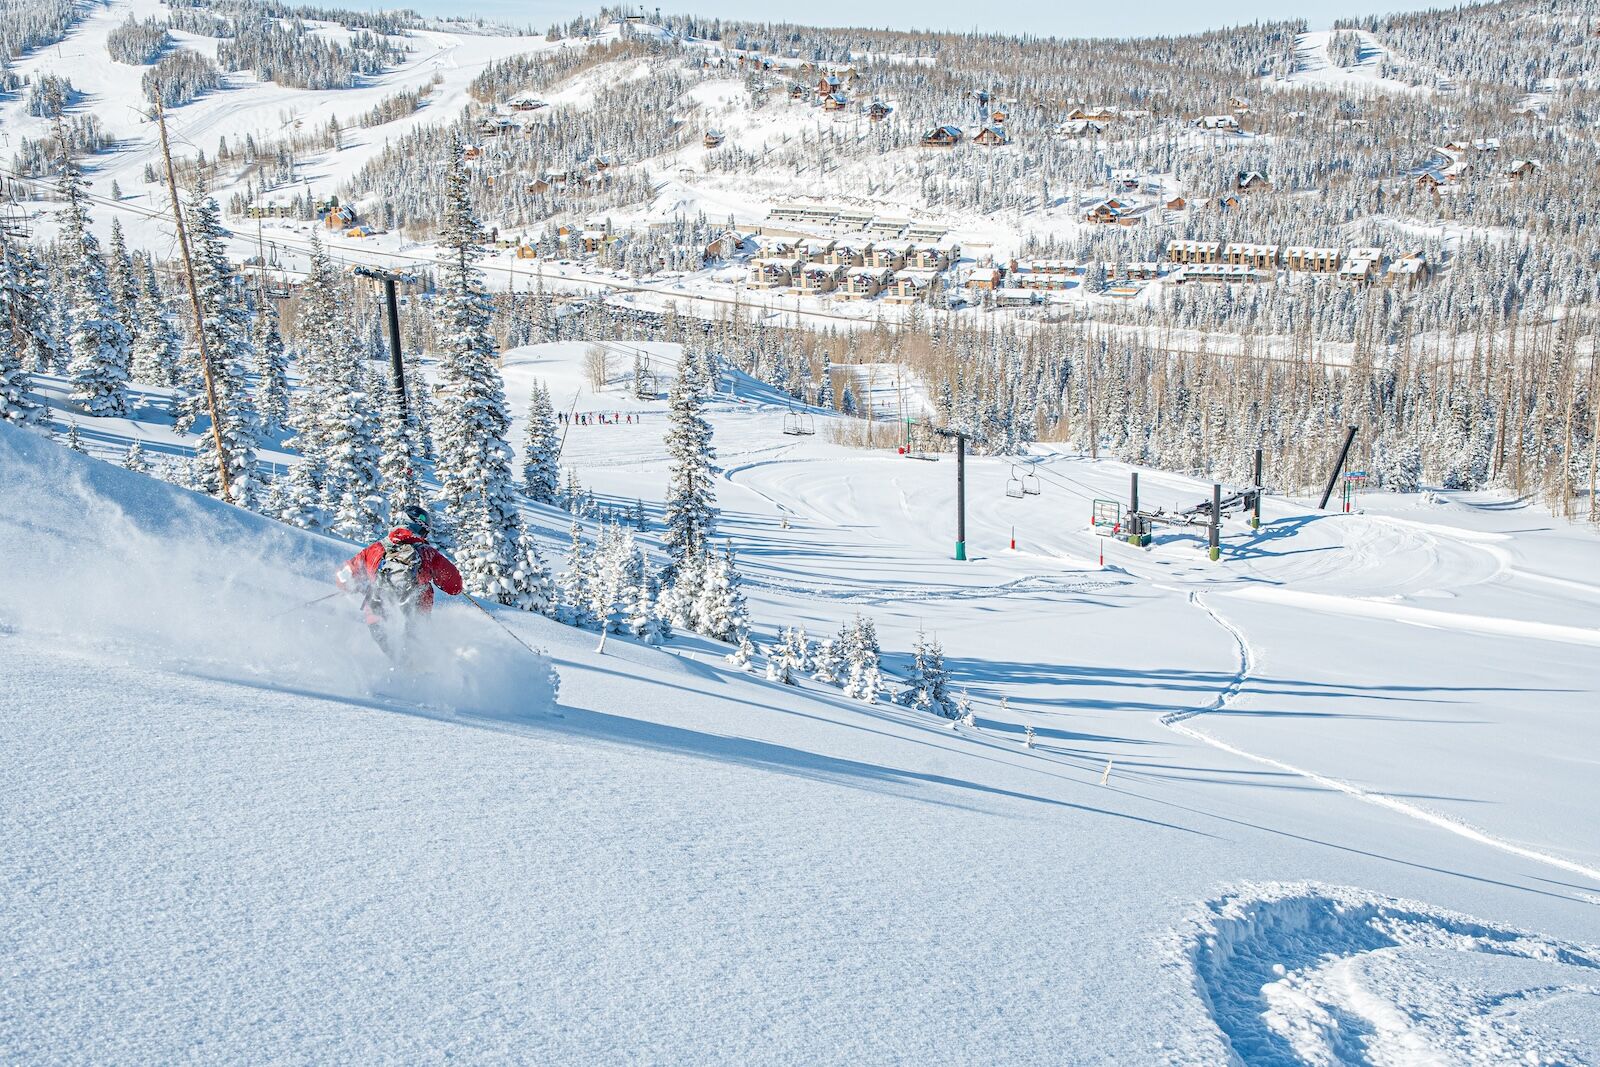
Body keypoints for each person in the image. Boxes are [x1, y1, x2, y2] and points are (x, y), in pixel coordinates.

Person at [335, 505, 463, 658]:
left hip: (377, 618)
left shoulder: (375, 549)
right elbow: (455, 587)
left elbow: (344, 577)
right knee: (413, 661)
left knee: (388, 659)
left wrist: (357, 586)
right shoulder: (427, 553)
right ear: (420, 528)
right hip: (415, 618)